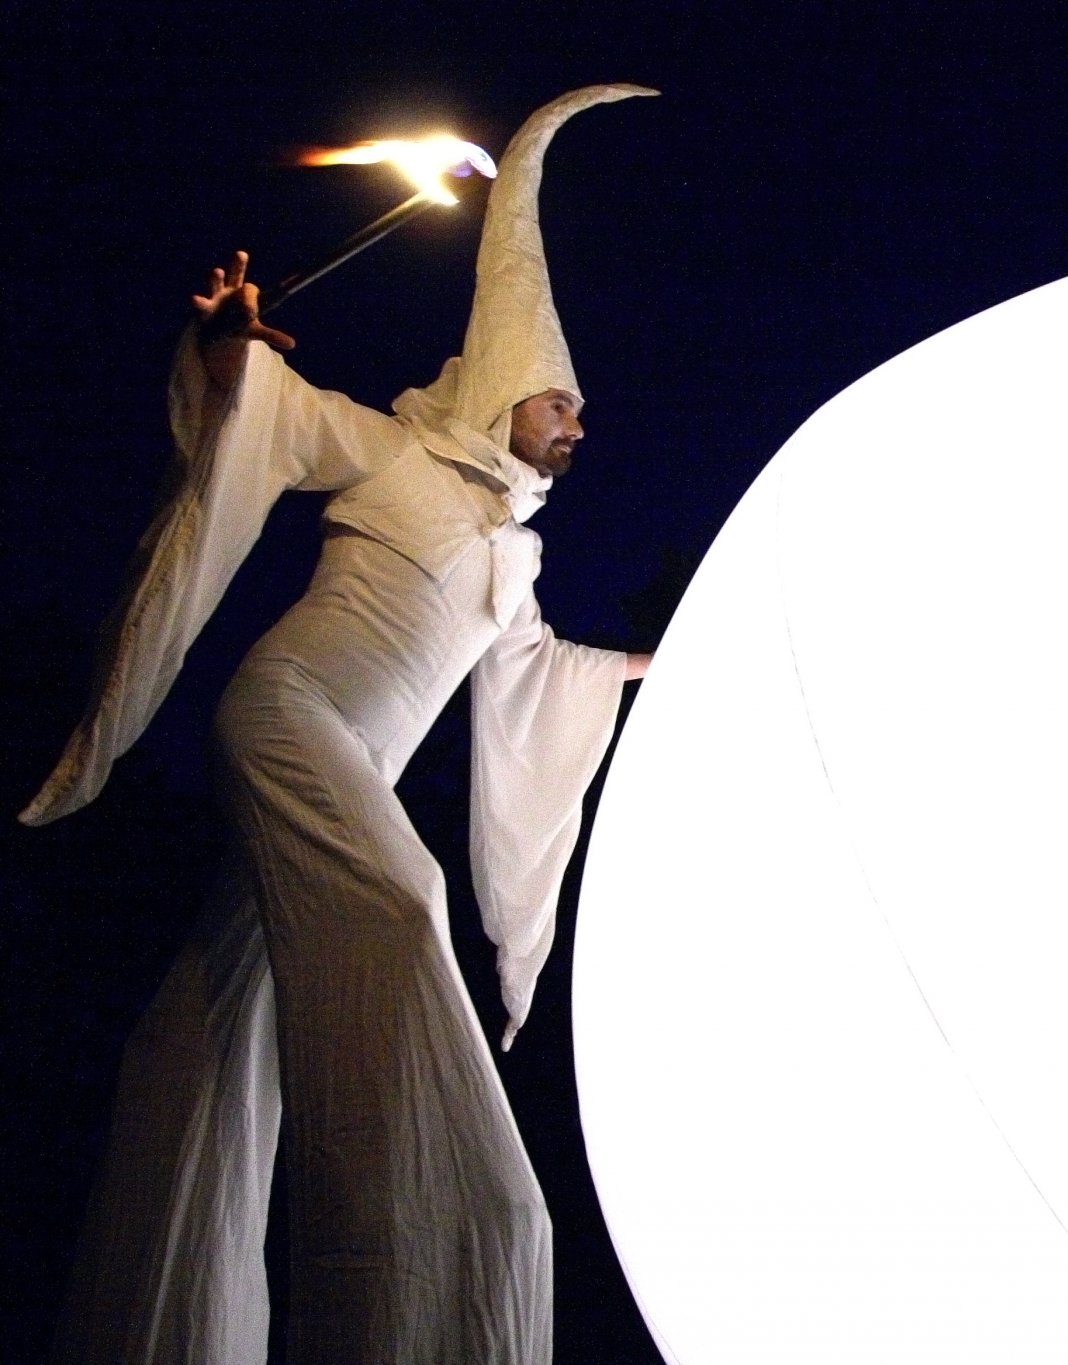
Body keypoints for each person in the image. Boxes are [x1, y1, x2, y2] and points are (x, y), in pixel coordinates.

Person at [22, 83, 657, 1364]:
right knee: (402, 900)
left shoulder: (515, 555)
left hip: (349, 758)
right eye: (559, 401)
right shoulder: (394, 451)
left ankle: (162, 1323)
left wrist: (663, 667)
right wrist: (228, 356)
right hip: (286, 719)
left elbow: (539, 672)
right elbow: (269, 415)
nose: (578, 423)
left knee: (214, 1028)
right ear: (501, 393)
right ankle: (447, 1252)